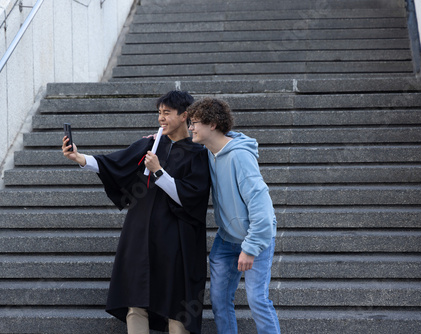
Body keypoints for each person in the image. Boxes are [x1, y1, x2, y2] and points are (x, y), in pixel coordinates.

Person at [62, 91, 210, 334]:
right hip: (140, 231)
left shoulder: (198, 153)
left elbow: (191, 197)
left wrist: (159, 171)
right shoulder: (150, 144)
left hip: (177, 237)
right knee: (135, 299)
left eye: (167, 113)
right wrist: (79, 158)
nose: (161, 118)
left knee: (177, 304)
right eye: (159, 113)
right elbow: (115, 164)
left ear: (184, 116)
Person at [186, 97, 280, 334]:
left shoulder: (240, 157)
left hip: (256, 238)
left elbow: (263, 209)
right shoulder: (209, 151)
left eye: (195, 122)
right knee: (219, 302)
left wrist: (250, 248)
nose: (191, 127)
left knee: (258, 300)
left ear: (213, 125)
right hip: (226, 238)